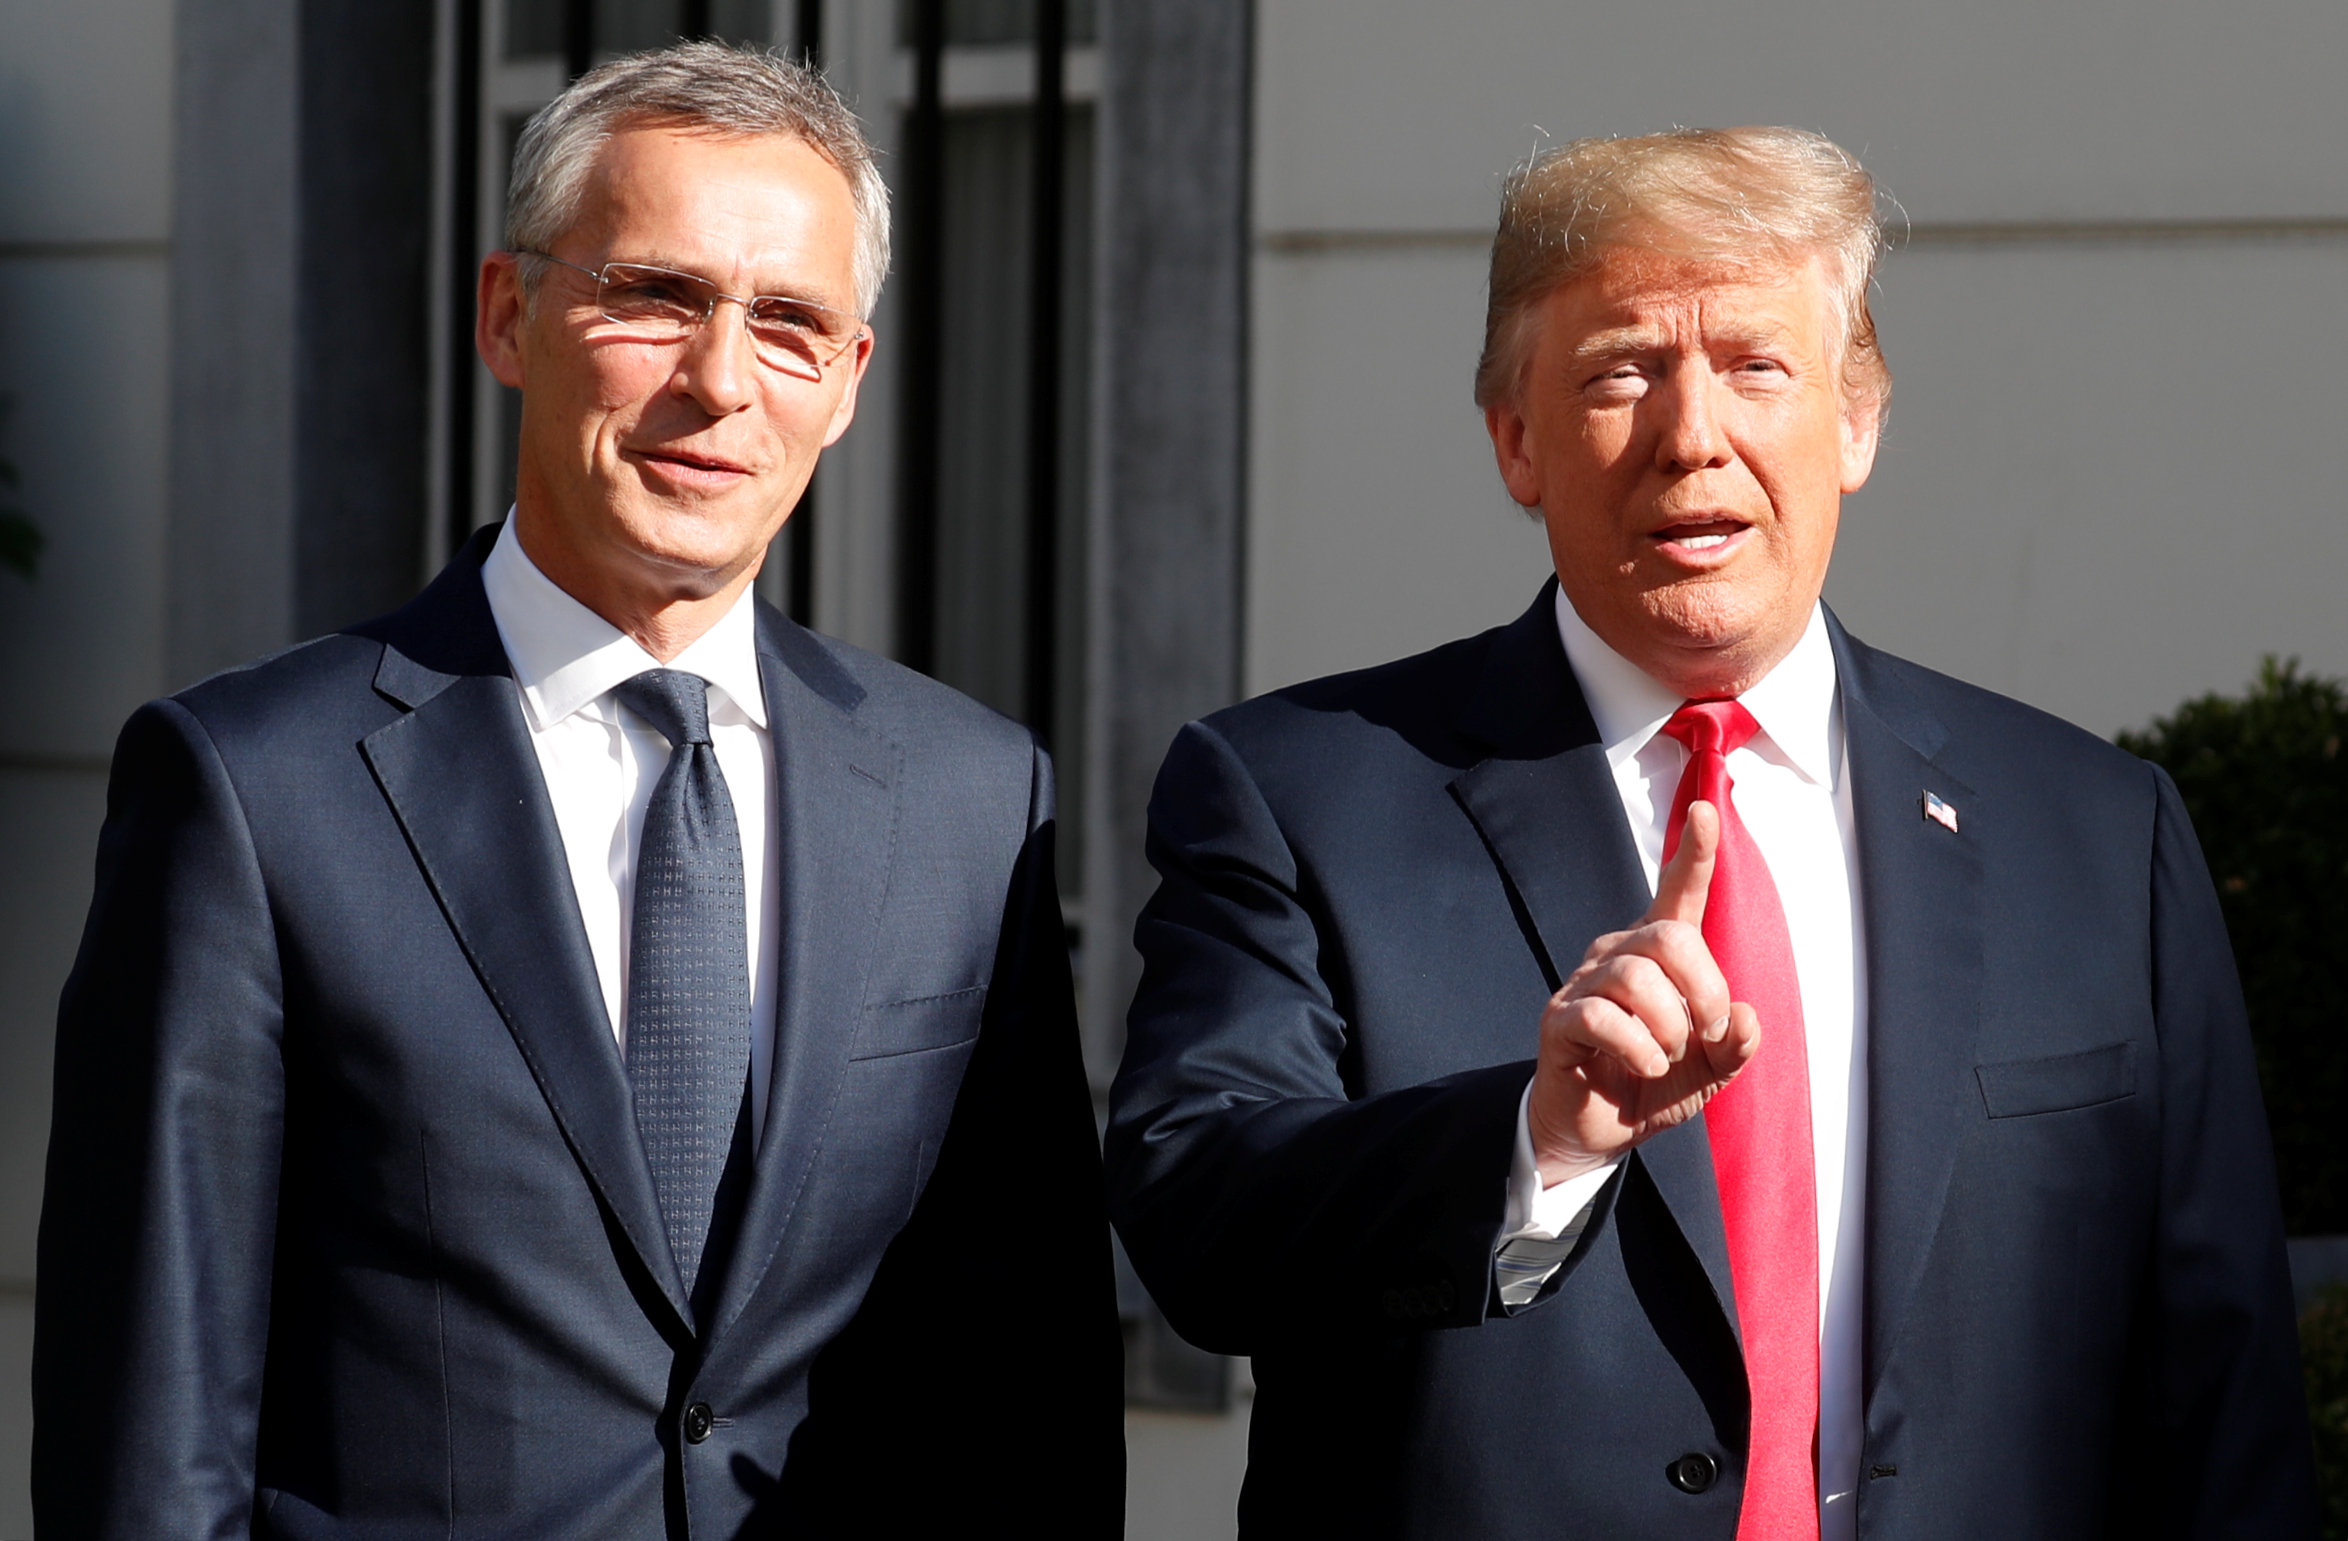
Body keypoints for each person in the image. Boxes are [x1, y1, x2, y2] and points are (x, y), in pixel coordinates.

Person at [1106, 127, 2316, 1539]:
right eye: (1623, 369)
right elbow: (1199, 1215)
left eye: (1756, 365)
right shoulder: (1299, 792)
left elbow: (2225, 1392)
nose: (1695, 435)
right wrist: (1532, 1138)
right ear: (1515, 439)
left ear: (1856, 418)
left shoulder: (2098, 832)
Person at [34, 42, 1121, 1537]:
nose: (721, 381)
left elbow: (1030, 1385)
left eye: (790, 323)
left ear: (851, 382)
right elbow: (149, 1427)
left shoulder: (971, 797)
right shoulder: (250, 790)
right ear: (509, 314)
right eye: (657, 296)